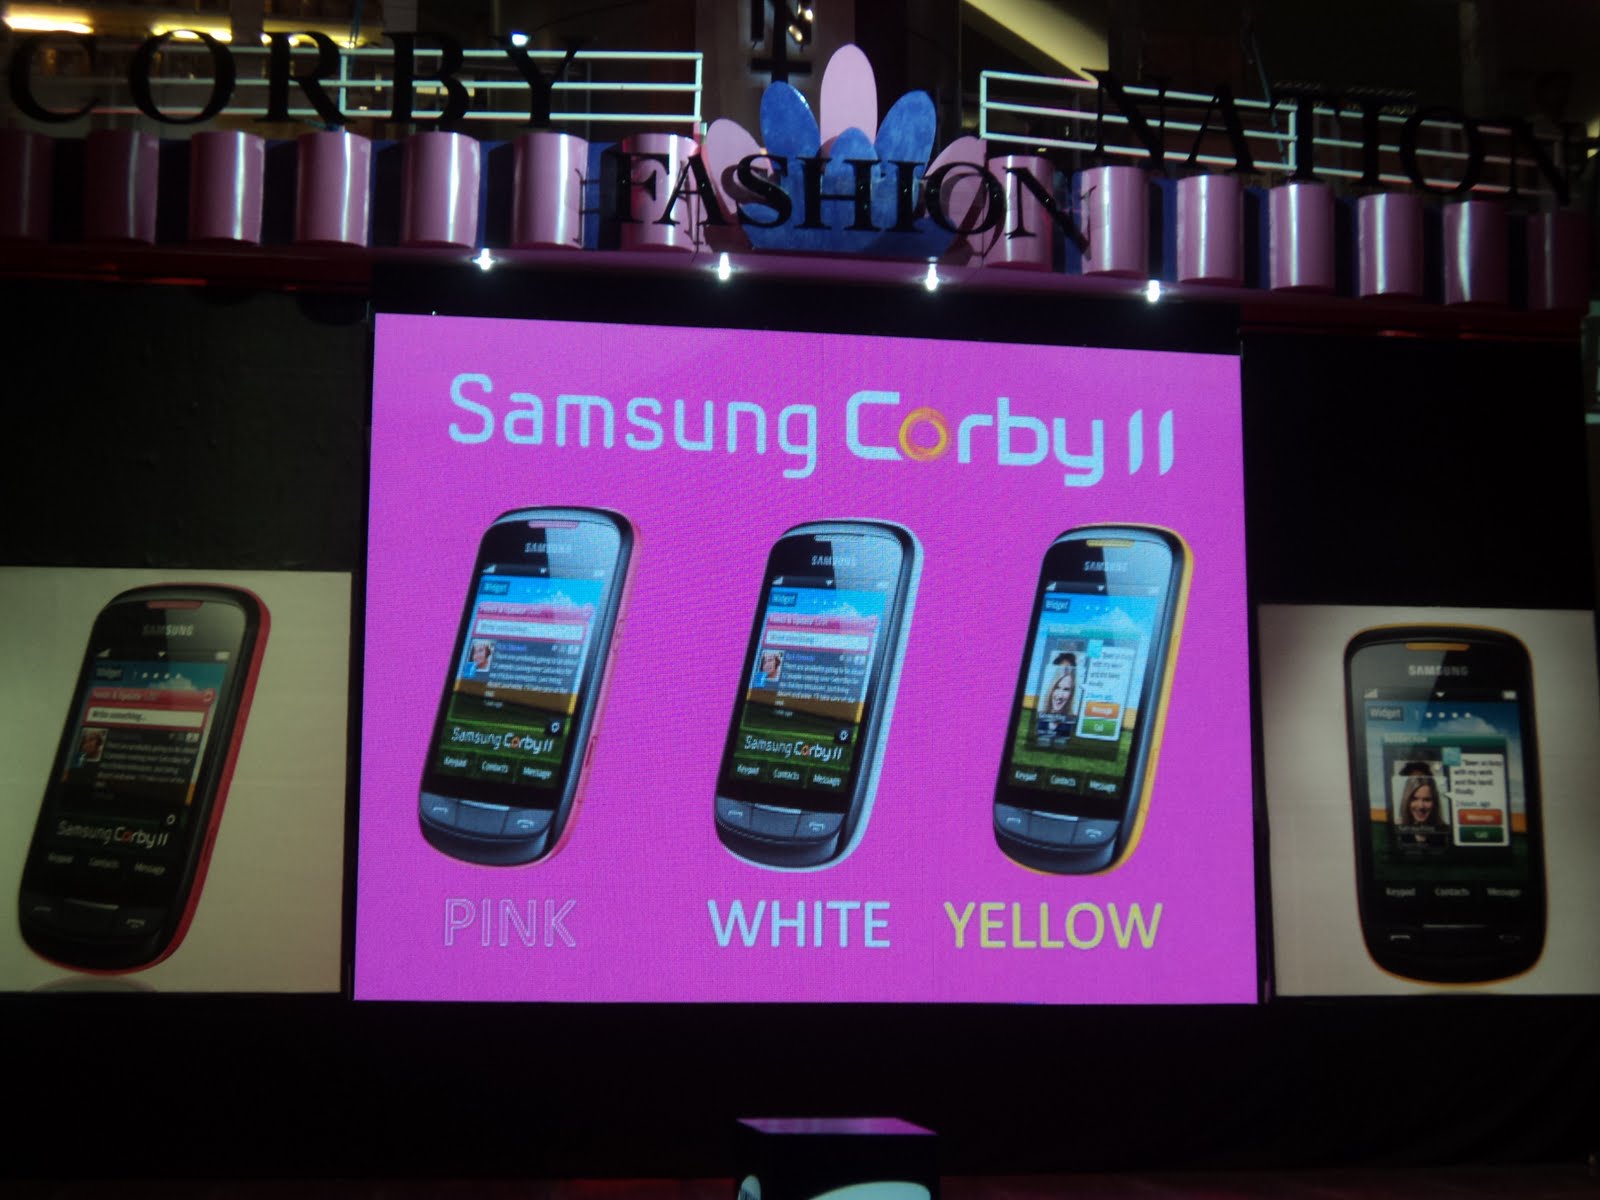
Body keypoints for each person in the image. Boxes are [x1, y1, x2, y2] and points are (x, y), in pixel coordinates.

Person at [1397, 775, 1446, 844]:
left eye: (1427, 799)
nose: (1421, 806)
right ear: (1406, 801)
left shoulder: (1445, 833)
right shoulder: (1397, 829)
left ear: (1435, 802)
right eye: (1414, 799)